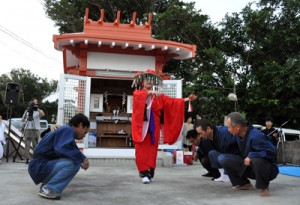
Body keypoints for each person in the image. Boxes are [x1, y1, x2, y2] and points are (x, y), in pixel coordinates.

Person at [131, 69, 197, 184]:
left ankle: (150, 173)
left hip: (154, 127)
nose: (149, 82)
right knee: (141, 150)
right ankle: (143, 173)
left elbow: (172, 102)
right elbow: (140, 97)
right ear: (142, 82)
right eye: (147, 80)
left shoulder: (159, 96)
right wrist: (150, 93)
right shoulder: (138, 93)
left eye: (151, 80)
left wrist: (187, 99)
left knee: (152, 150)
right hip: (141, 127)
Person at [28, 113, 90, 200]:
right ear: (80, 125)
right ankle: (49, 189)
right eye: (85, 131)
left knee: (74, 159)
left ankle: (48, 184)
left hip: (38, 166)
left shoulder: (65, 130)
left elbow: (71, 149)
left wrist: (81, 157)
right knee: (74, 163)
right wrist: (83, 158)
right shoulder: (67, 130)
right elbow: (63, 148)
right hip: (39, 166)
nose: (84, 135)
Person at [219, 112, 278, 197]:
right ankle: (243, 184)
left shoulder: (256, 135)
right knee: (223, 158)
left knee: (255, 159)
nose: (228, 129)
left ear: (237, 127)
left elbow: (272, 151)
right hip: (249, 167)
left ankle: (264, 187)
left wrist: (251, 155)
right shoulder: (238, 135)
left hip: (268, 169)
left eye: (229, 127)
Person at [194, 118, 240, 182]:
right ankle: (223, 175)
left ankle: (228, 175)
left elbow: (232, 150)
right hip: (228, 156)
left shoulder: (223, 134)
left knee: (222, 157)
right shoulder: (207, 137)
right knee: (212, 153)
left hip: (238, 157)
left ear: (208, 129)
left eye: (201, 133)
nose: (200, 136)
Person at [22, 98, 45, 164]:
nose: (35, 104)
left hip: (36, 129)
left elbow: (43, 114)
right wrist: (25, 120)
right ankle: (27, 158)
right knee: (27, 144)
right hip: (28, 129)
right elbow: (22, 119)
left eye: (36, 103)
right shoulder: (27, 111)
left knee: (35, 144)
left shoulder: (39, 111)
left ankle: (35, 158)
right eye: (33, 103)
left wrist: (37, 109)